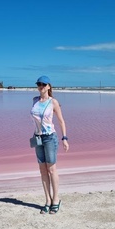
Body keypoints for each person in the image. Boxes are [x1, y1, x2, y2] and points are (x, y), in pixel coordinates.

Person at [30, 75, 69, 214]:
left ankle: (56, 199)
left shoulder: (53, 102)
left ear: (48, 87)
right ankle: (47, 199)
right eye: (38, 84)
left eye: (43, 84)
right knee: (42, 170)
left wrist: (64, 138)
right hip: (38, 138)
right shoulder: (34, 101)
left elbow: (61, 121)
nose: (40, 86)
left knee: (51, 169)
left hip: (50, 138)